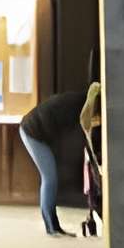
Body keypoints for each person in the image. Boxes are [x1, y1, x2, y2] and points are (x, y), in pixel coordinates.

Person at [17, 87, 86, 236]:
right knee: (50, 179)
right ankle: (52, 227)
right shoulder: (78, 107)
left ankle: (52, 226)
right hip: (32, 133)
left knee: (50, 178)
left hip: (35, 131)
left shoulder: (75, 100)